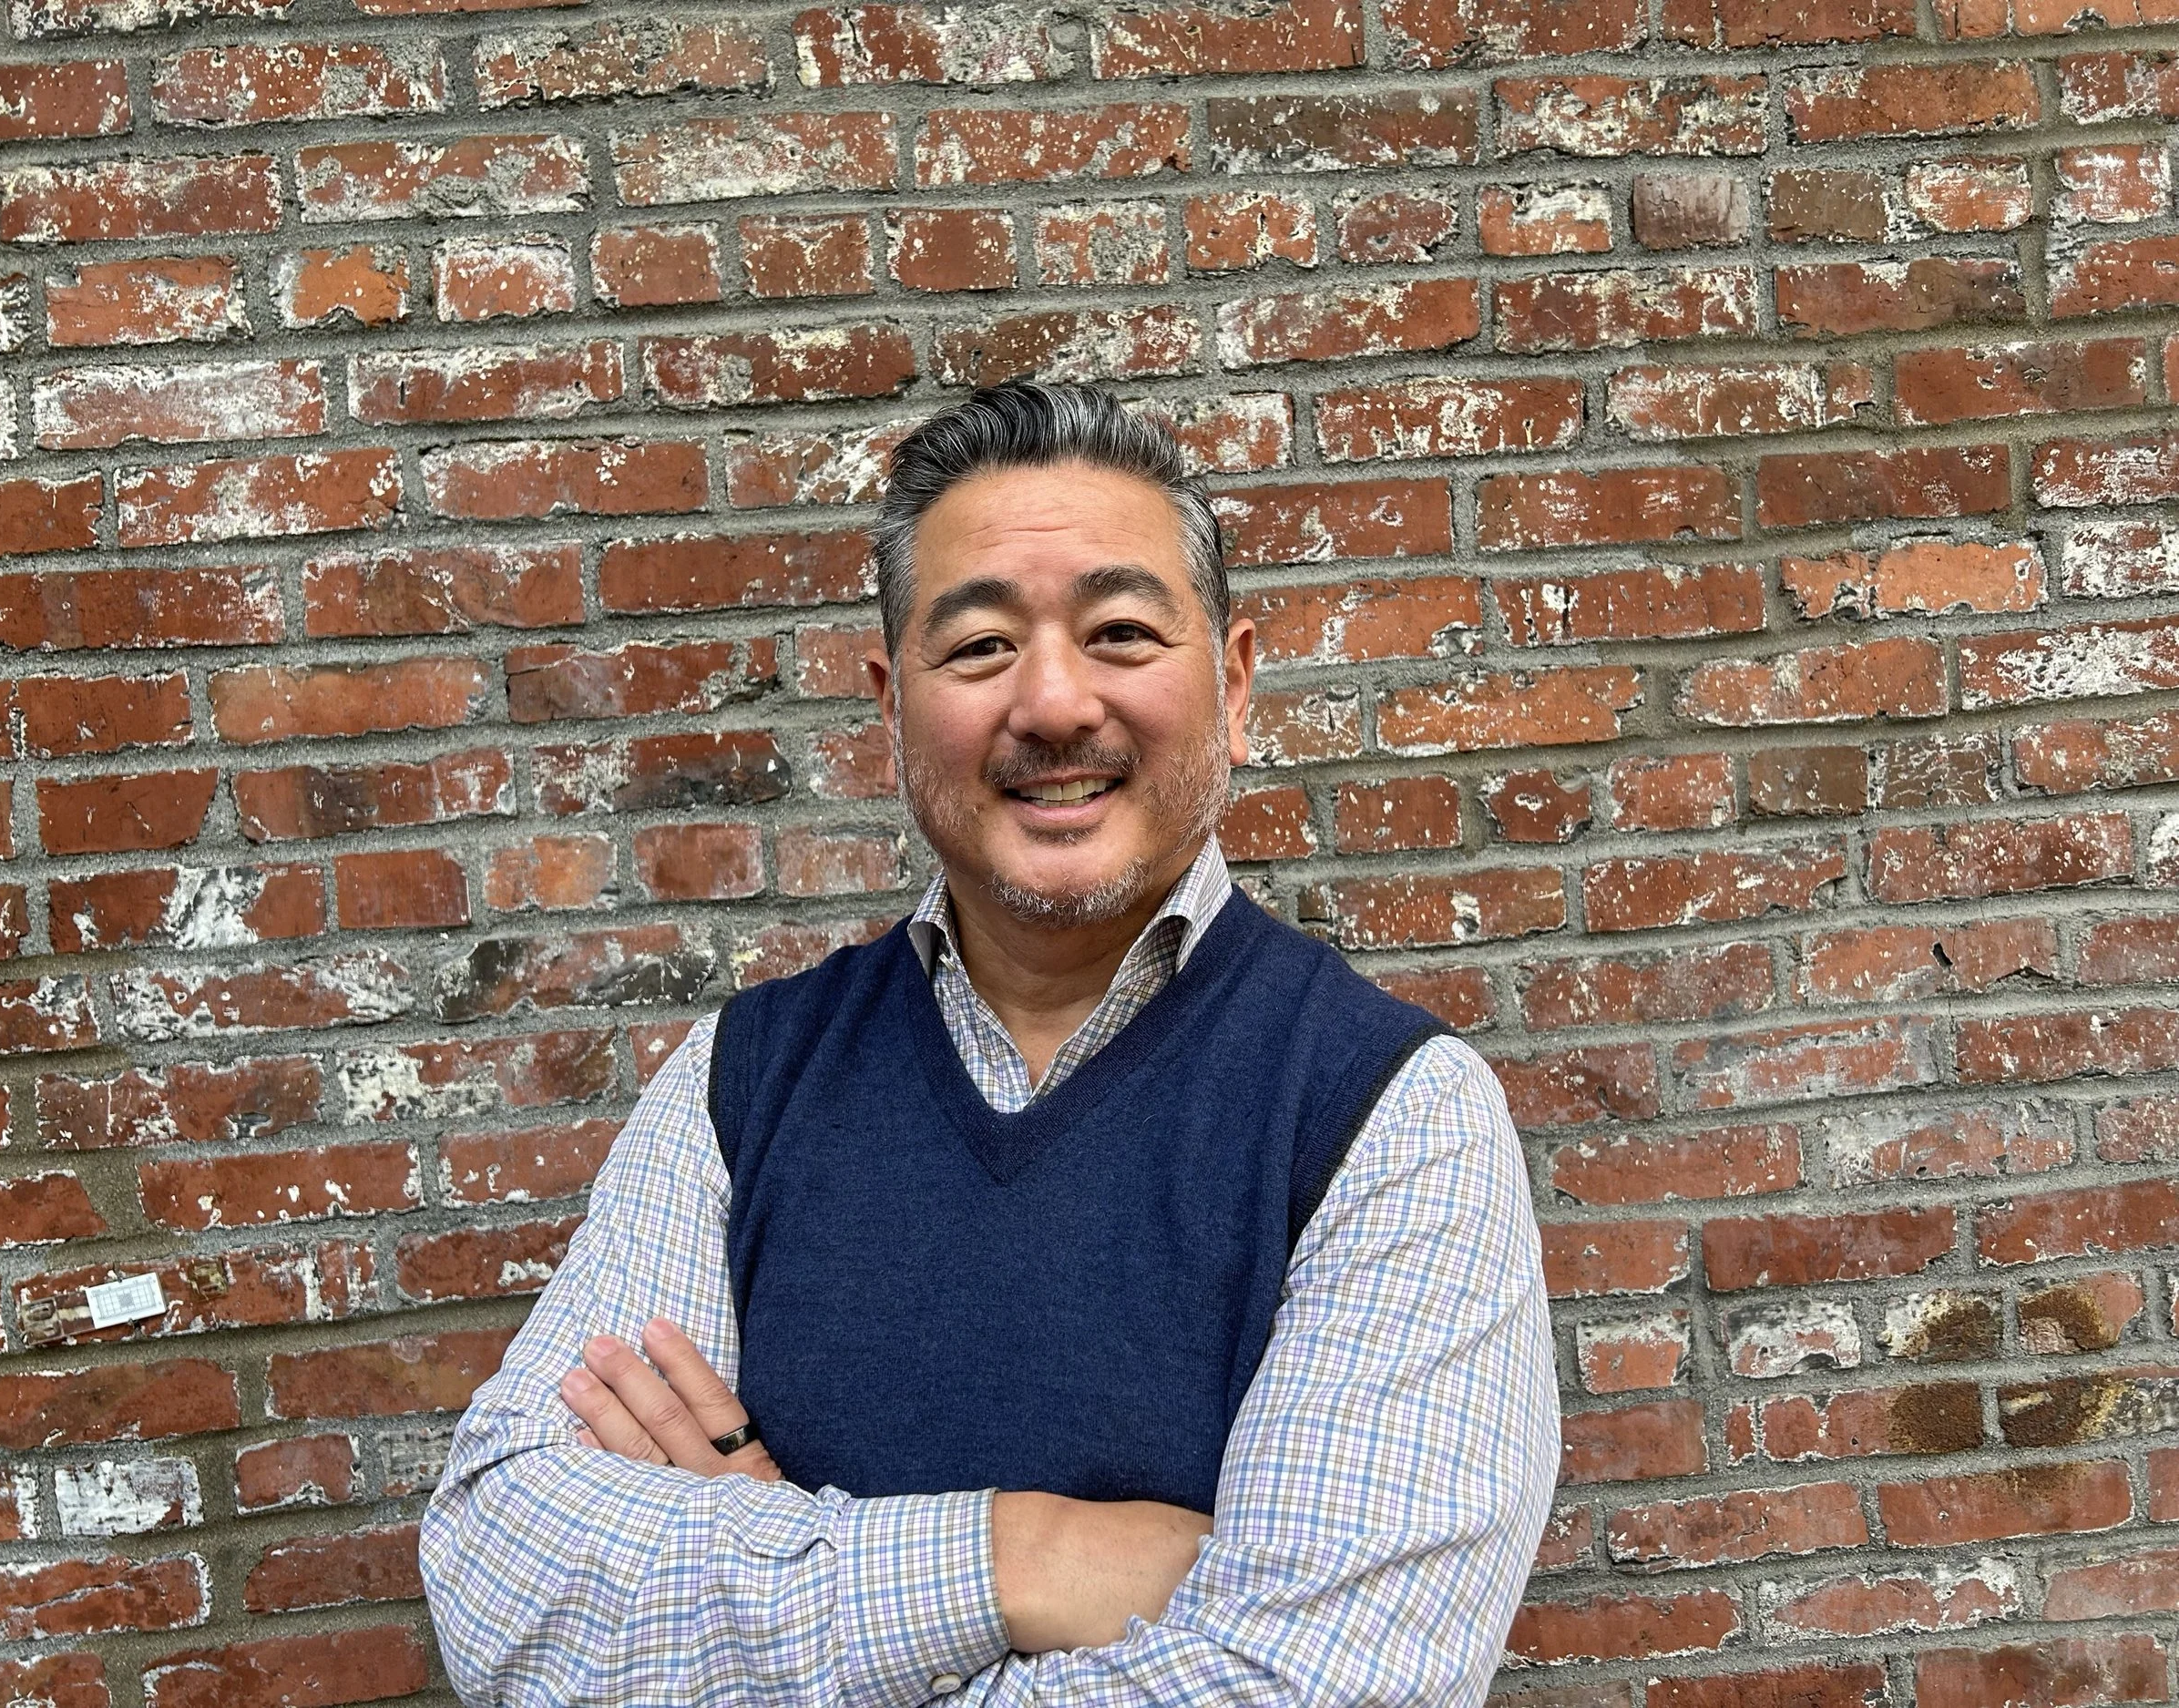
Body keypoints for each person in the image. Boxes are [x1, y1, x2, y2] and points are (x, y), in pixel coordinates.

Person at [420, 381, 1560, 1706]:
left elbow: (1312, 1686)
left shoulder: (1390, 1117)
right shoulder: (742, 1087)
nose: (1055, 702)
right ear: (890, 706)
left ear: (1236, 684)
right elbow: (502, 1583)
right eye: (976, 650)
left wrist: (764, 1571)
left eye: (1122, 630)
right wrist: (1019, 1555)